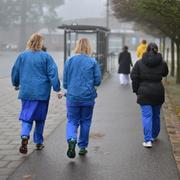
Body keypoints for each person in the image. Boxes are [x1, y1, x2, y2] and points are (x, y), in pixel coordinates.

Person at [11, 33, 63, 154]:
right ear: (41, 43)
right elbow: (53, 73)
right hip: (42, 93)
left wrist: (16, 83)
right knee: (40, 119)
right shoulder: (46, 57)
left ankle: (24, 135)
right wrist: (57, 88)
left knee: (26, 117)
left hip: (26, 92)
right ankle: (38, 142)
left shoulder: (22, 56)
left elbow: (16, 71)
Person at [63, 38, 101, 158]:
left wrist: (69, 88)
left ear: (77, 46)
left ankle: (71, 138)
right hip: (88, 97)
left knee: (72, 121)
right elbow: (98, 80)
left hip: (73, 96)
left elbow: (64, 82)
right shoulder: (92, 61)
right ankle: (83, 147)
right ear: (89, 47)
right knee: (86, 121)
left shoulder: (69, 60)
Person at [130, 43, 168, 148]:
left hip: (144, 92)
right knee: (156, 115)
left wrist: (136, 90)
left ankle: (147, 140)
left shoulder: (139, 63)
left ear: (146, 50)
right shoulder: (162, 63)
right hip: (158, 92)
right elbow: (165, 73)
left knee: (147, 116)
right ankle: (154, 135)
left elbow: (134, 77)